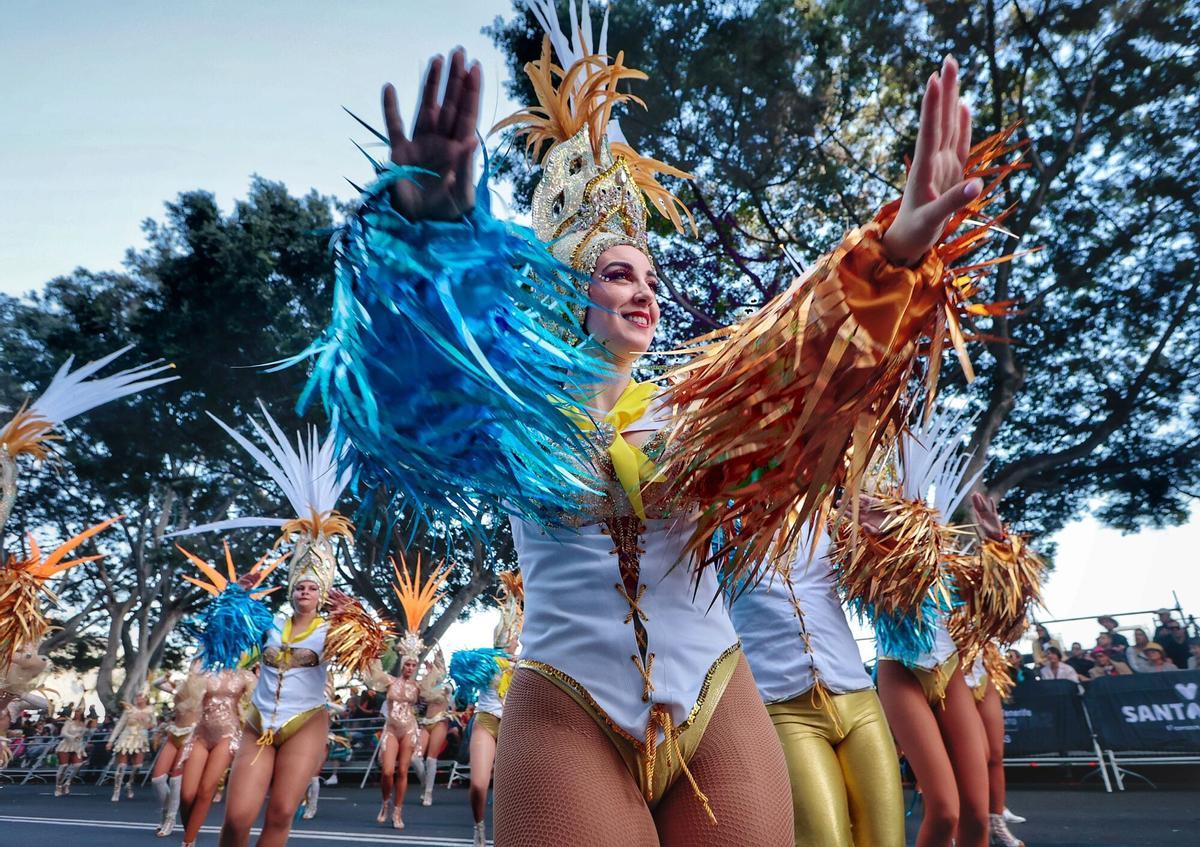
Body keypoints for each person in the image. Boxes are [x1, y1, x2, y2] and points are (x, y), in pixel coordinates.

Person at [304, 0, 1024, 835]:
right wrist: (429, 244)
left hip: (719, 697)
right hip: (567, 706)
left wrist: (893, 256)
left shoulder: (695, 409)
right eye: (618, 274)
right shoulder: (518, 412)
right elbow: (419, 395)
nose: (644, 291)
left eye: (650, 277)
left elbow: (800, 370)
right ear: (572, 293)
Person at [168, 407, 388, 847]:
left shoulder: (331, 630)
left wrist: (358, 618)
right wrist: (234, 598)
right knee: (237, 819)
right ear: (290, 590)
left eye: (313, 585)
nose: (305, 590)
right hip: (257, 724)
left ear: (322, 591)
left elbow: (372, 663)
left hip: (306, 722)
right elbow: (219, 640)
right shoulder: (269, 625)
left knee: (282, 812)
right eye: (299, 585)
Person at [729, 524, 905, 847]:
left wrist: (884, 538)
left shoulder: (825, 516)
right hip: (785, 711)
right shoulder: (716, 527)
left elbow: (889, 592)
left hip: (860, 702)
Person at [364, 555, 451, 830]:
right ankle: (385, 803)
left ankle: (398, 811)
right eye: (408, 663)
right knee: (387, 772)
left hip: (410, 728)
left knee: (403, 770)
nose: (410, 667)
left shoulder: (418, 687)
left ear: (416, 666)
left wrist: (438, 666)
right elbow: (372, 673)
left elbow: (437, 685)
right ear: (402, 663)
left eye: (414, 664)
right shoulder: (389, 681)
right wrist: (372, 651)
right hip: (391, 728)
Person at [412, 645, 455, 807]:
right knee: (414, 757)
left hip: (440, 721)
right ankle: (425, 784)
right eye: (436, 665)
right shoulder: (428, 683)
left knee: (431, 758)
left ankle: (428, 793)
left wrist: (430, 678)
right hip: (426, 722)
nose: (438, 669)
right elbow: (420, 696)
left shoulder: (447, 686)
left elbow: (436, 695)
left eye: (440, 665)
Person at [106, 692, 157, 801]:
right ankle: (116, 792)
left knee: (138, 766)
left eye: (140, 696)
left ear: (146, 699)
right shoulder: (129, 710)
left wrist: (147, 724)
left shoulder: (150, 710)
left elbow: (154, 724)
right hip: (126, 738)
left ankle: (129, 784)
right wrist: (111, 741)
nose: (138, 698)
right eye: (137, 696)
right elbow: (120, 725)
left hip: (140, 739)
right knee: (121, 766)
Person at [53, 706, 88, 797]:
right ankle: (58, 786)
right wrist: (73, 737)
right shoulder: (69, 722)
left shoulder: (84, 724)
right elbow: (63, 733)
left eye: (79, 712)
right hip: (65, 745)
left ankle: (67, 783)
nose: (77, 713)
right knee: (63, 766)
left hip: (77, 747)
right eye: (76, 711)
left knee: (78, 765)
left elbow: (85, 735)